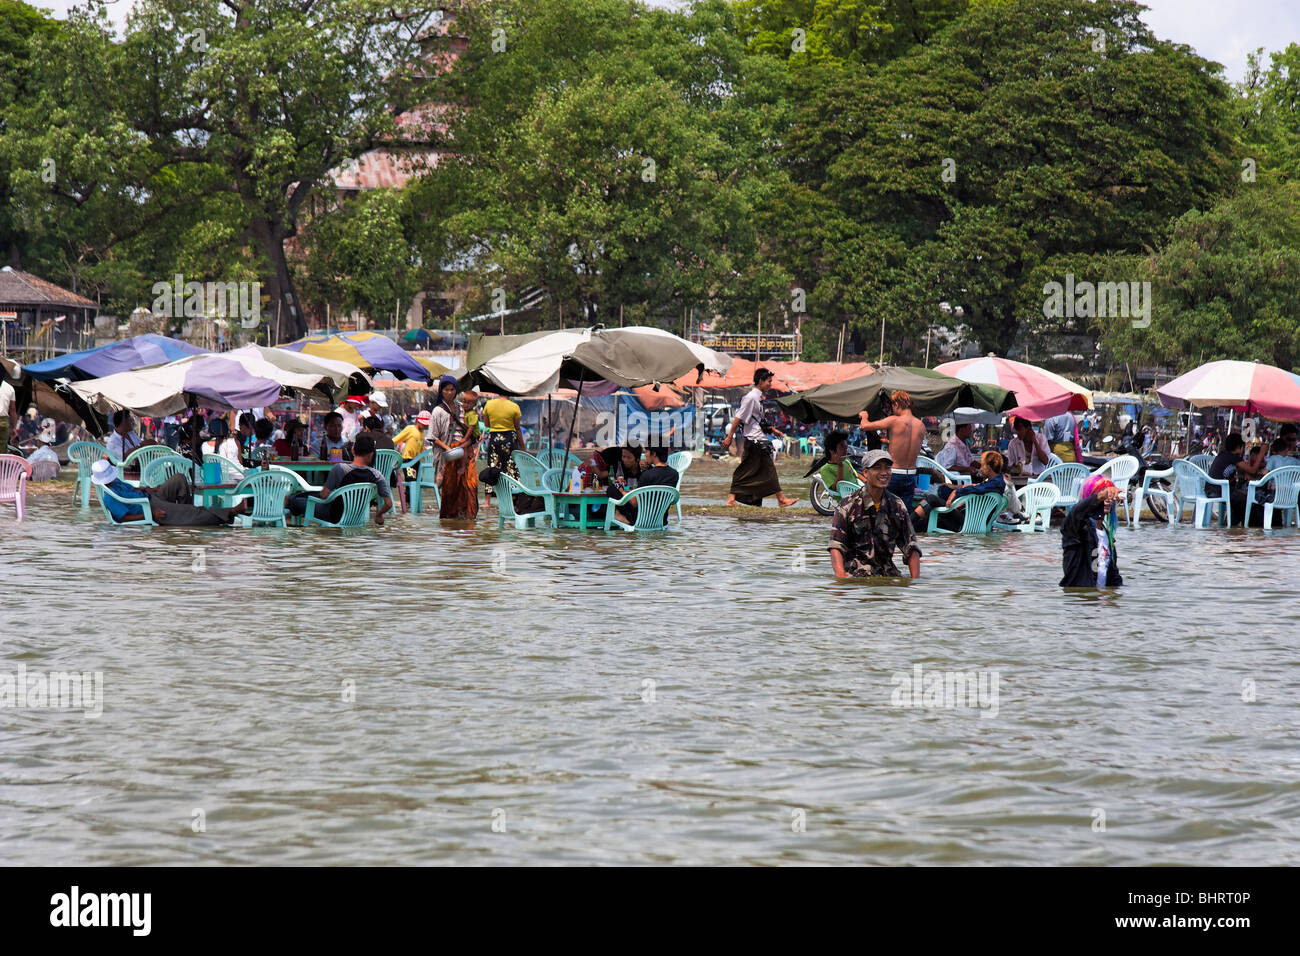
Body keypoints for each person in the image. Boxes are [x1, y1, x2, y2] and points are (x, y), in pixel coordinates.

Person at [828, 449, 922, 579]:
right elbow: (836, 546)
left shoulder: (897, 506)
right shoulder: (848, 505)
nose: (884, 473)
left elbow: (911, 547)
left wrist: (915, 583)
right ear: (865, 472)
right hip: (855, 578)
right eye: (877, 468)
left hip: (888, 576)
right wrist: (841, 580)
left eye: (887, 468)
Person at [721, 367, 798, 507]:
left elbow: (757, 421)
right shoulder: (750, 398)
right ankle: (781, 499)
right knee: (766, 470)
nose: (770, 384)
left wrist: (774, 430)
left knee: (751, 471)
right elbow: (738, 418)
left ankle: (741, 499)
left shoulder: (757, 398)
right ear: (761, 381)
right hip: (754, 441)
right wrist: (729, 437)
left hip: (757, 440)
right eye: (769, 381)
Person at [90, 459, 247, 526]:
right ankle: (231, 511)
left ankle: (185, 515)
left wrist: (148, 489)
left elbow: (132, 489)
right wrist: (151, 516)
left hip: (150, 497)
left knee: (179, 479)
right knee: (192, 511)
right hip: (148, 508)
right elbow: (124, 518)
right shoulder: (109, 497)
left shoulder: (115, 482)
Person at [287, 433, 393, 525]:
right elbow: (388, 503)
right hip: (356, 517)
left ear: (352, 451)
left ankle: (285, 516)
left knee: (295, 501)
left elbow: (324, 495)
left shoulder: (340, 468)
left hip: (333, 516)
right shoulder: (377, 475)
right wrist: (378, 515)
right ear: (371, 455)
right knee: (304, 496)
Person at [912, 450, 1007, 531]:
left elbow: (976, 488)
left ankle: (907, 524)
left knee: (932, 499)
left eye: (982, 466)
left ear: (989, 468)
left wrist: (956, 492)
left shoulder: (994, 484)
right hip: (970, 521)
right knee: (924, 524)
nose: (980, 469)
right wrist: (957, 488)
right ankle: (908, 527)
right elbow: (977, 486)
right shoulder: (997, 482)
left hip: (966, 522)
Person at [427, 375, 479, 519]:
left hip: (466, 450)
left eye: (452, 389)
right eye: (446, 390)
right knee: (450, 491)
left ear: (456, 391)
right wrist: (448, 448)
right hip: (448, 453)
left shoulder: (462, 408)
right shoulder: (438, 411)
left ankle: (470, 520)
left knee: (471, 486)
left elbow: (471, 428)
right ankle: (449, 523)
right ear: (441, 391)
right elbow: (432, 436)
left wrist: (466, 443)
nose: (449, 393)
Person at [1060, 474, 1123, 587]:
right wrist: (1099, 497)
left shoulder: (1106, 533)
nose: (1108, 500)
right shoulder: (1078, 529)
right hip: (1081, 601)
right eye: (1103, 495)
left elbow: (1113, 574)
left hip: (1099, 600)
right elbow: (1076, 514)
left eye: (1110, 496)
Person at [1208, 432, 1266, 525]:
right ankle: (1245, 526)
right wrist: (1262, 452)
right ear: (1239, 447)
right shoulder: (1233, 457)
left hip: (1212, 489)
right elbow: (1253, 470)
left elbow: (1246, 472)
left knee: (1239, 500)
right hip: (1217, 490)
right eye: (1243, 447)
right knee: (1246, 500)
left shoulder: (1225, 455)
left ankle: (1230, 526)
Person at [613, 446, 678, 525]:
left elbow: (634, 503)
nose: (645, 455)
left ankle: (624, 519)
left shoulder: (647, 475)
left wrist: (621, 489)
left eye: (646, 452)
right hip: (662, 521)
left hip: (642, 521)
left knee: (613, 490)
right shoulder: (674, 474)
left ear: (653, 454)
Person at [482, 391, 525, 485]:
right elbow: (517, 428)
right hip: (510, 439)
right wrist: (523, 447)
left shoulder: (489, 404)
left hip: (494, 438)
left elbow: (486, 424)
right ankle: (512, 494)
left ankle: (488, 498)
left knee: (492, 467)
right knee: (510, 467)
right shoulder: (514, 406)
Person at [0, 375, 15, 452]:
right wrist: (14, 427)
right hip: (4, 420)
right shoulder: (10, 388)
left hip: (4, 420)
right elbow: (12, 410)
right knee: (3, 447)